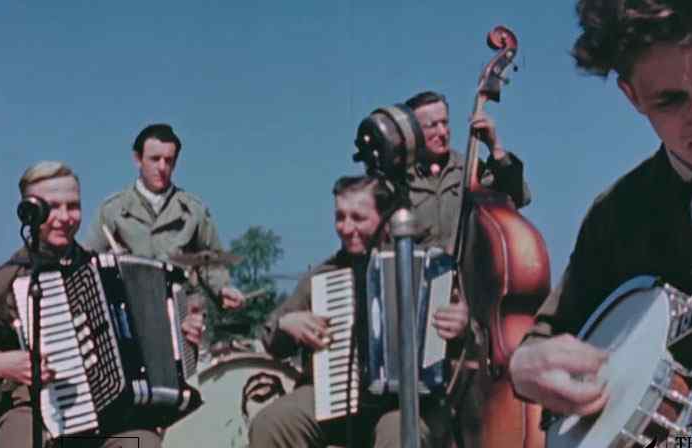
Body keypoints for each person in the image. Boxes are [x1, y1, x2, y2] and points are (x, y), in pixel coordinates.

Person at [509, 1, 692, 447]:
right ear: (632, 96)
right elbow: (548, 338)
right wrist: (524, 368)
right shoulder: (615, 217)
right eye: (670, 100)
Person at [249, 175, 470, 448]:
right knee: (273, 423)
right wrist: (286, 324)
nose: (346, 227)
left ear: (385, 219)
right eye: (340, 217)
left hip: (406, 404)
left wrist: (463, 326)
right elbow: (271, 339)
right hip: (335, 396)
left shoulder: (430, 271)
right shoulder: (323, 276)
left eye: (358, 217)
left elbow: (473, 346)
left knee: (397, 434)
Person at [0, 161, 204, 448]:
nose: (64, 217)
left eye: (73, 206)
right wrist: (4, 365)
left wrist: (183, 338)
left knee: (141, 443)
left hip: (112, 414)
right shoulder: (5, 280)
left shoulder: (107, 271)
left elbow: (155, 348)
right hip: (32, 409)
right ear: (29, 211)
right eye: (52, 207)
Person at [85, 123, 244, 310]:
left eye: (169, 160)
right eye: (155, 159)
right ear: (137, 159)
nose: (162, 167)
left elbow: (211, 262)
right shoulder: (111, 210)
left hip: (182, 313)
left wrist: (223, 289)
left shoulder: (194, 211)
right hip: (130, 312)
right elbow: (87, 265)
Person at [404, 91, 532, 252]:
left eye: (445, 123)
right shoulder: (399, 178)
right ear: (412, 131)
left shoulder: (470, 169)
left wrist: (495, 147)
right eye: (432, 125)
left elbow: (518, 197)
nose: (443, 132)